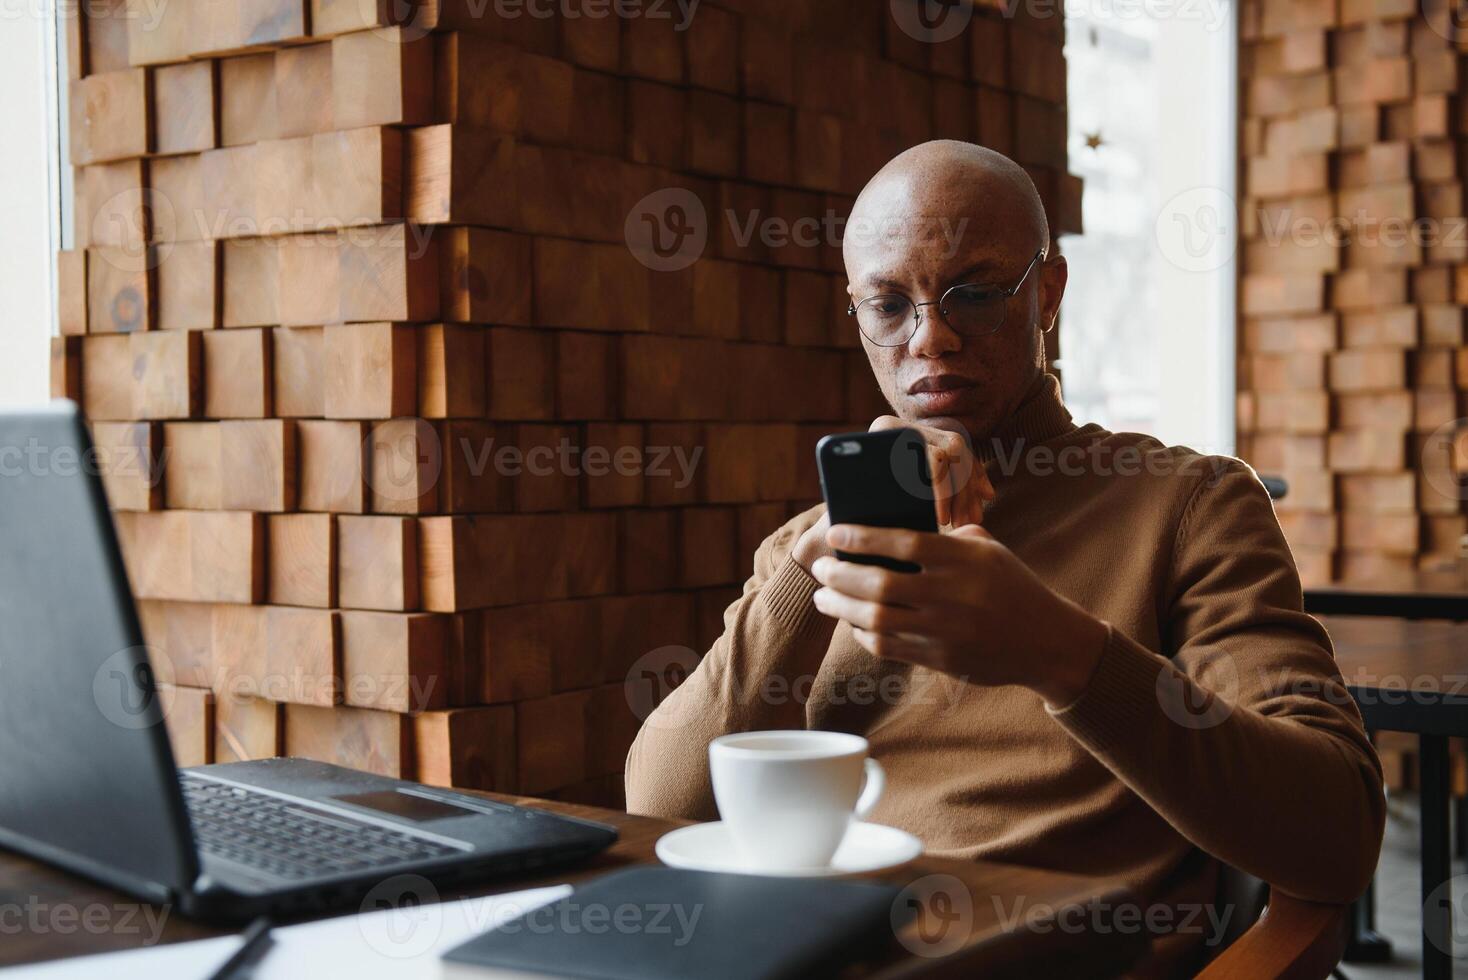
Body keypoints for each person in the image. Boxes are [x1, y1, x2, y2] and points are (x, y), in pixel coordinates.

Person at [624, 140, 1384, 973]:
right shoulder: (813, 549)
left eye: (975, 294)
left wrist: (1060, 655)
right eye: (887, 305)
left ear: (1048, 294)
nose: (932, 338)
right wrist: (814, 564)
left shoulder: (1189, 505)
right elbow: (660, 809)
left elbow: (1337, 834)